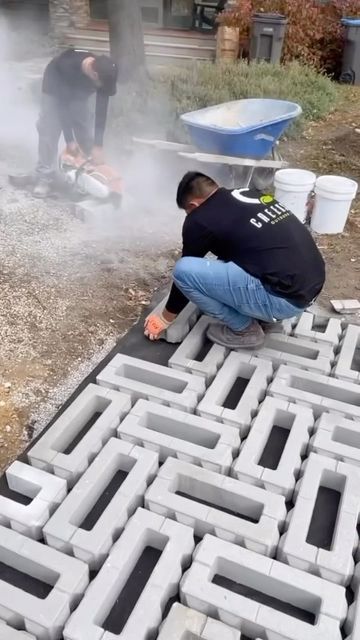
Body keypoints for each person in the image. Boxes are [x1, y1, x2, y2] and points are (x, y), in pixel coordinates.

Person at [144, 171, 325, 349]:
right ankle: (265, 317)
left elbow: (186, 273)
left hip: (282, 300)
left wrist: (165, 318)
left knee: (184, 271)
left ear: (193, 205)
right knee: (237, 259)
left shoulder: (199, 219)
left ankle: (245, 330)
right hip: (309, 288)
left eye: (187, 212)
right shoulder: (247, 194)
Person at [33, 48, 118, 197]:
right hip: (55, 86)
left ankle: (87, 177)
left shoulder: (105, 71)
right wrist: (69, 140)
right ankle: (44, 176)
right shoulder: (67, 67)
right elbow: (63, 106)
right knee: (49, 128)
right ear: (94, 75)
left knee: (84, 128)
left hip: (78, 90)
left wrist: (98, 145)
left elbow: (101, 109)